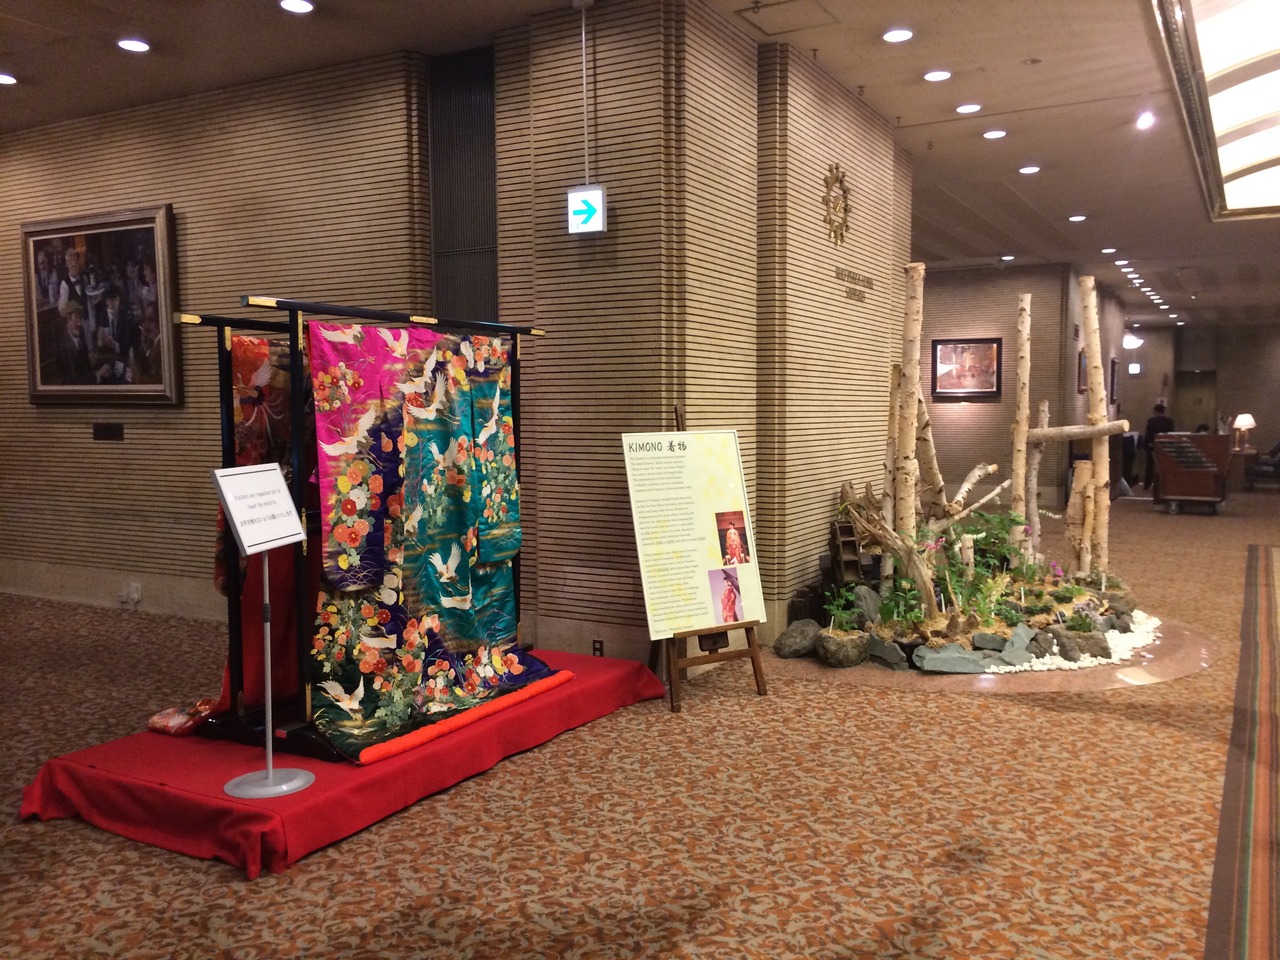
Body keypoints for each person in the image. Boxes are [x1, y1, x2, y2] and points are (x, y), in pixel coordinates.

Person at [1142, 403, 1176, 489]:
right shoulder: (1169, 421)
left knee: (1150, 465)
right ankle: (1165, 483)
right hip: (1165, 445)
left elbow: (1148, 434)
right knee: (1165, 465)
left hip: (1153, 445)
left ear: (1155, 411)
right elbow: (1171, 434)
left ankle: (1147, 484)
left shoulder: (1151, 421)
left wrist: (1147, 444)